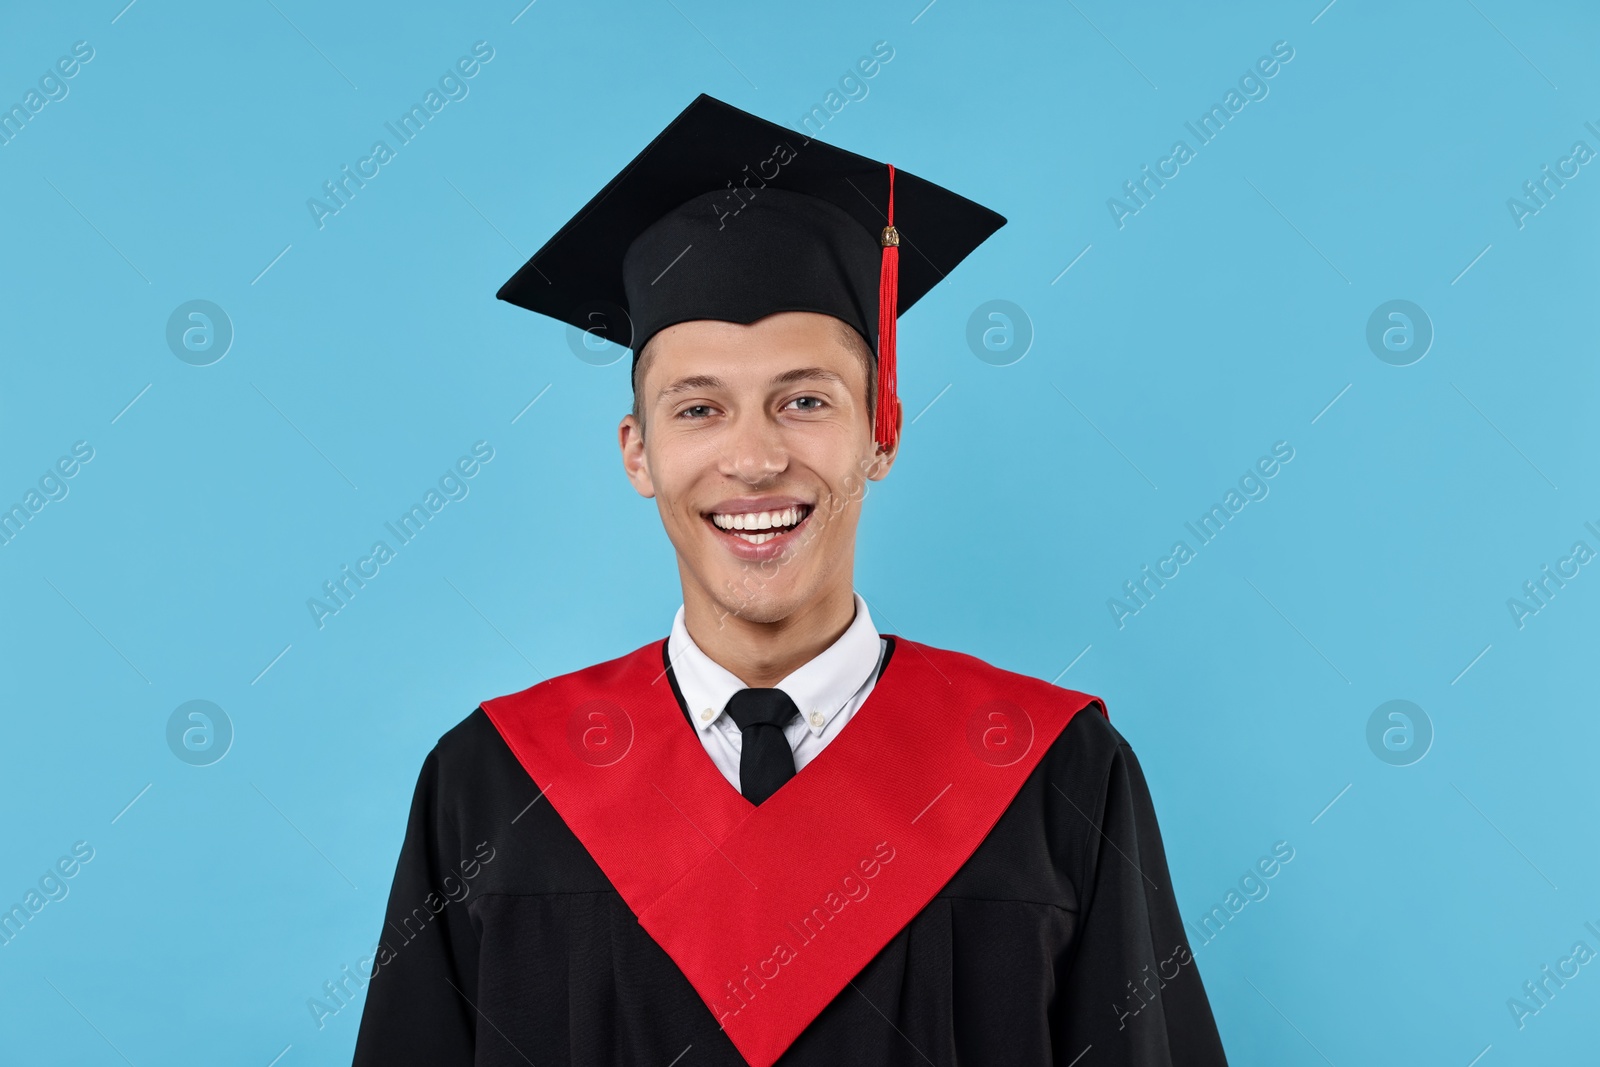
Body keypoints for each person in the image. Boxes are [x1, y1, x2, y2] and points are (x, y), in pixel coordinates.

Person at [352, 93, 1229, 1067]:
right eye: (698, 410)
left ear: (880, 431)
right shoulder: (492, 783)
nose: (755, 457)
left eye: (804, 400)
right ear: (636, 455)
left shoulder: (1056, 773)